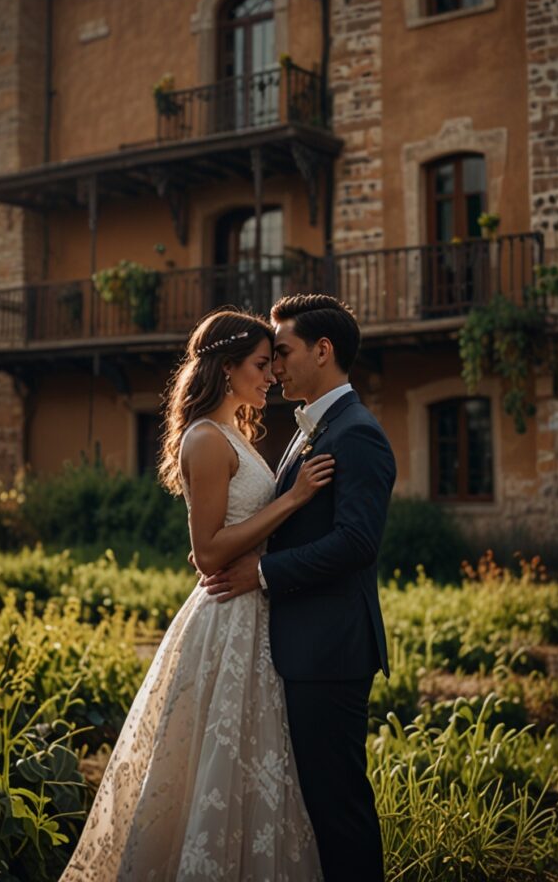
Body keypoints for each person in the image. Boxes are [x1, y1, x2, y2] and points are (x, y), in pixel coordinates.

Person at [59, 309, 333, 881]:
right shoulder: (206, 438)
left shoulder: (235, 433)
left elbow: (225, 535)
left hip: (252, 611)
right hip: (227, 618)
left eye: (275, 362)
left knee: (250, 769)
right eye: (262, 364)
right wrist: (293, 499)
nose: (272, 375)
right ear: (227, 367)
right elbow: (208, 552)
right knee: (212, 768)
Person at [202, 294, 397, 882]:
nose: (275, 366)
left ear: (323, 349)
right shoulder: (310, 427)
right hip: (299, 645)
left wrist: (261, 573)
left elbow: (357, 543)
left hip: (330, 651)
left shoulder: (357, 433)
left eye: (282, 352)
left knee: (338, 808)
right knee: (311, 806)